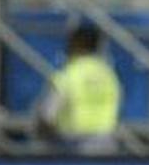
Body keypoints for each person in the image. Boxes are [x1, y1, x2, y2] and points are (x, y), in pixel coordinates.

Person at [38, 24, 122, 155]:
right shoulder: (109, 75)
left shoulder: (69, 74)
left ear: (77, 43)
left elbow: (47, 115)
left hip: (73, 147)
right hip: (106, 146)